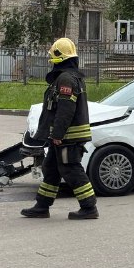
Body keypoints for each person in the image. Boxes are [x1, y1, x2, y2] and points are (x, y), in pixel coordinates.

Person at [21, 38, 99, 220]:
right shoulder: (71, 77)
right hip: (64, 136)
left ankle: (89, 207)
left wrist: (57, 134)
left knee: (71, 169)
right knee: (51, 169)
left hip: (67, 137)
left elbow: (65, 109)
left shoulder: (65, 79)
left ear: (59, 58)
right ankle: (42, 206)